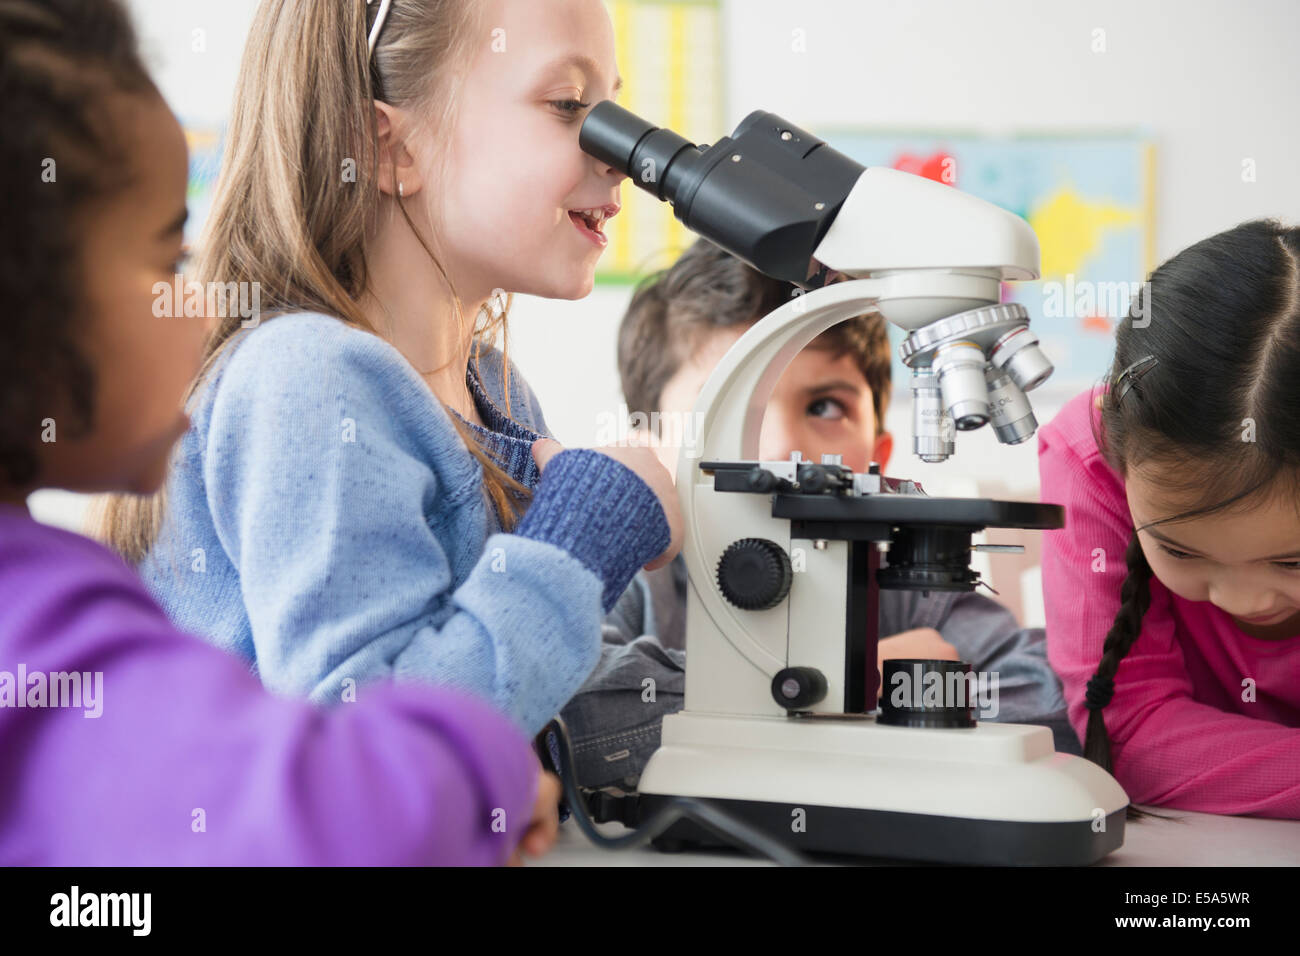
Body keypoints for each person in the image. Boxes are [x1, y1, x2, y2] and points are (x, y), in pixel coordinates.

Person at [0, 0, 558, 865]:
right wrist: (486, 769)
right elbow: (357, 818)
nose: (201, 311)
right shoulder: (35, 626)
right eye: (165, 261)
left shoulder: (496, 386)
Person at [98, 0, 682, 736]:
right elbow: (375, 755)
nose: (621, 152)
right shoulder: (307, 381)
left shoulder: (494, 390)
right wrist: (589, 530)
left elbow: (538, 686)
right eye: (569, 106)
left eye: (614, 107)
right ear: (389, 148)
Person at [559, 238, 1082, 789]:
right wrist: (853, 685)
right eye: (730, 408)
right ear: (652, 457)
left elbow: (1053, 706)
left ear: (879, 459)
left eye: (825, 407)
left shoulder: (914, 596)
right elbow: (568, 710)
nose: (785, 446)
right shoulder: (636, 583)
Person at [1039, 220, 1300, 818]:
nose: (1244, 599)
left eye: (1291, 560)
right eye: (1182, 550)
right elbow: (1129, 735)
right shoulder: (1089, 457)